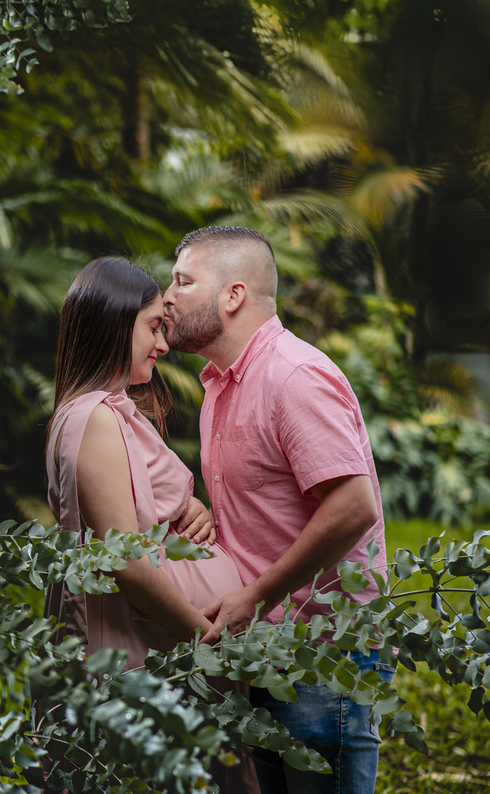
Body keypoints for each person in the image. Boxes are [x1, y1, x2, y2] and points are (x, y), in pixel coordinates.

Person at [162, 225, 392, 794]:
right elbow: (276, 499)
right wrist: (213, 517)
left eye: (182, 281)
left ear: (233, 295)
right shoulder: (219, 385)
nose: (167, 296)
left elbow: (352, 506)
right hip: (263, 647)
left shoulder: (293, 375)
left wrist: (257, 594)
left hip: (326, 652)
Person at [42, 256, 256, 793]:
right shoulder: (94, 417)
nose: (164, 345)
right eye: (154, 327)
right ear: (114, 323)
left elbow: (138, 509)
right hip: (136, 647)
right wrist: (202, 638)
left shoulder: (107, 411)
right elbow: (127, 562)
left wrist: (190, 510)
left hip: (158, 646)